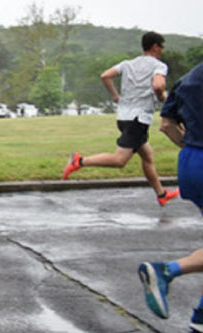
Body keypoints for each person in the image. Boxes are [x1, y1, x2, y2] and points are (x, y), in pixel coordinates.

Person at [62, 31, 180, 206]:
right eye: (162, 47)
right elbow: (158, 84)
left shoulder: (127, 64)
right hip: (137, 119)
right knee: (119, 160)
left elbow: (105, 75)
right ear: (155, 47)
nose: (162, 50)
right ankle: (79, 161)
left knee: (147, 156)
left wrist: (115, 95)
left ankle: (162, 195)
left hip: (124, 117)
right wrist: (162, 97)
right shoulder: (159, 66)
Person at [137, 62, 203, 332]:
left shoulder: (190, 77)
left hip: (190, 161)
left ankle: (199, 320)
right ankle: (166, 271)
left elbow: (166, 125)